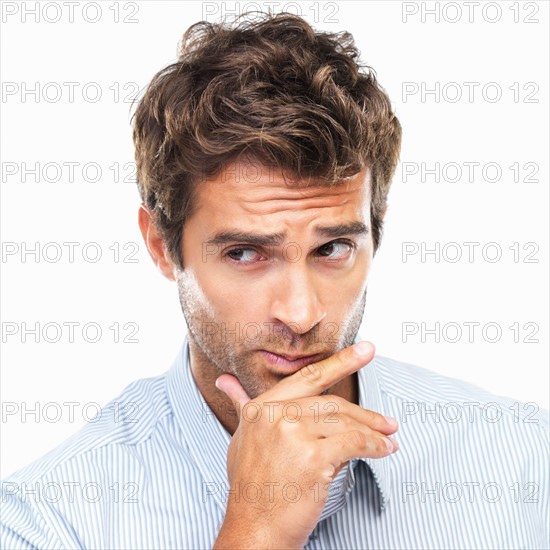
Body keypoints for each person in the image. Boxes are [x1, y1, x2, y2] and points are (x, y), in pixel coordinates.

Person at [1, 12, 548, 550]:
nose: (301, 313)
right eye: (245, 253)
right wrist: (255, 535)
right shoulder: (50, 519)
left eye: (332, 248)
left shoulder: (523, 459)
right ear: (162, 246)